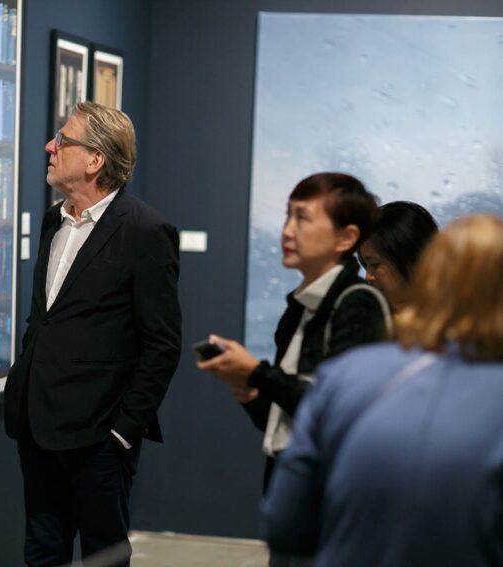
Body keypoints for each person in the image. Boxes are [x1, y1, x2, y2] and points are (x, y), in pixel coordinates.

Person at [262, 214, 503, 566]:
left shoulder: (344, 375)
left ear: (426, 270)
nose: (368, 276)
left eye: (375, 264)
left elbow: (284, 523)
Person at [4, 101, 182, 566]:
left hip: (100, 437)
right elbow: (44, 320)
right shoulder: (53, 221)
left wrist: (124, 430)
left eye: (63, 140)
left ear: (95, 160)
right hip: (37, 424)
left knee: (102, 556)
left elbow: (162, 343)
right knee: (43, 550)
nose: (50, 146)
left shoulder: (145, 231)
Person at [196, 172, 390, 566]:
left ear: (345, 238)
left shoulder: (357, 302)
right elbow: (286, 421)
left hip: (332, 502)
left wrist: (257, 373)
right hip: (292, 491)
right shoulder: (298, 308)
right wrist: (246, 389)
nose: (286, 230)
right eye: (287, 216)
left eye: (302, 218)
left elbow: (334, 410)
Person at [358, 200, 438, 314]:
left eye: (375, 264)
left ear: (412, 257)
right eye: (365, 265)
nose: (368, 277)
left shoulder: (460, 320)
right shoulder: (363, 319)